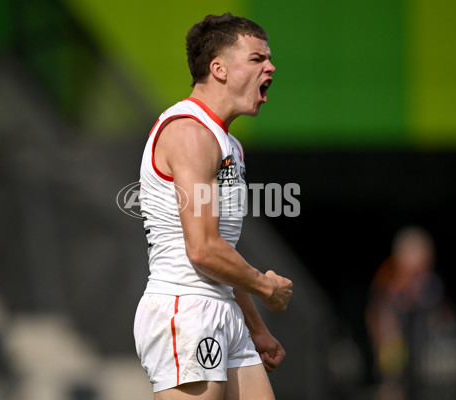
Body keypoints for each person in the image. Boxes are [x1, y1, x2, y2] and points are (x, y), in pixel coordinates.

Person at [133, 13, 293, 400]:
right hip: (185, 310)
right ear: (218, 69)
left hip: (221, 309)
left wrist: (254, 326)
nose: (270, 66)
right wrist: (266, 287)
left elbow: (222, 251)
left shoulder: (227, 144)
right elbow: (203, 250)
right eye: (257, 58)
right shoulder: (190, 134)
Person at [365, 226, 456, 400]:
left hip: (426, 368)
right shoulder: (385, 286)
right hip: (395, 365)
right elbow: (376, 319)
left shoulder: (432, 286)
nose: (421, 277)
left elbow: (444, 315)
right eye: (414, 271)